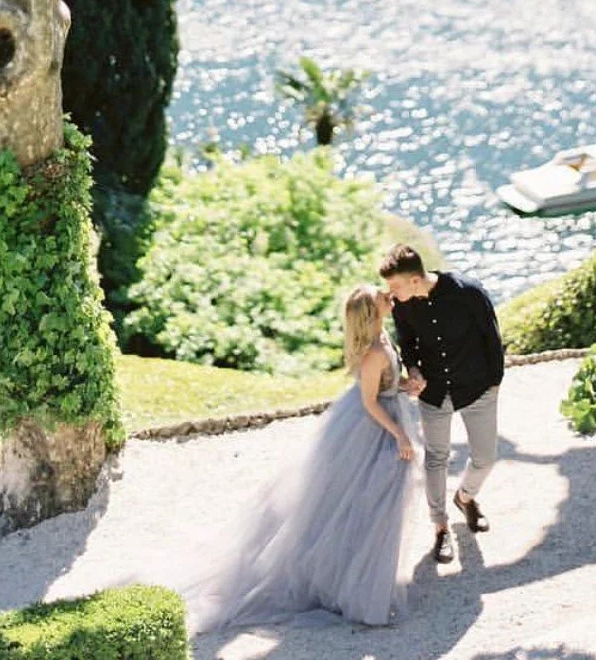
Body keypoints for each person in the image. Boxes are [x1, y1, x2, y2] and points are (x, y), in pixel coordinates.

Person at [186, 284, 422, 633]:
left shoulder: (383, 336)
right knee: (370, 502)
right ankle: (357, 589)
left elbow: (384, 386)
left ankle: (364, 580)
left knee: (374, 504)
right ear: (371, 314)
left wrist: (404, 385)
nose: (388, 295)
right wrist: (399, 434)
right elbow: (370, 402)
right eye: (380, 297)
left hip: (385, 415)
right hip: (372, 428)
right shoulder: (373, 352)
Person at [380, 243, 504, 566]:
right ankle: (441, 528)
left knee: (486, 458)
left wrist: (493, 383)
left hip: (477, 388)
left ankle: (465, 498)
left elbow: (491, 339)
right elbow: (407, 344)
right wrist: (414, 369)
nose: (389, 293)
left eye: (394, 286)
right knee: (436, 458)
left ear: (414, 281)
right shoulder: (402, 307)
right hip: (433, 392)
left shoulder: (468, 292)